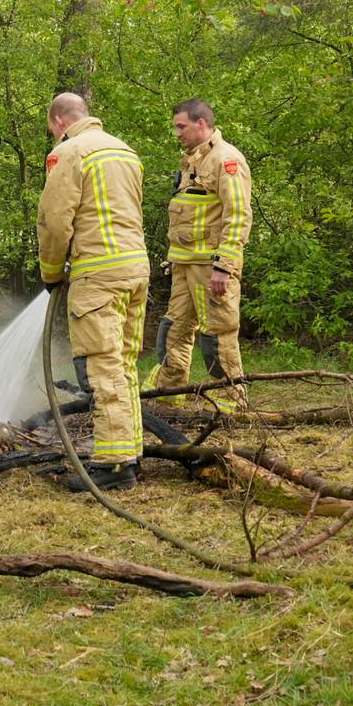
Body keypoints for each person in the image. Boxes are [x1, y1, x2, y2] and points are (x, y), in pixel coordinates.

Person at [37, 92, 150, 491]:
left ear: (57, 122)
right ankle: (132, 451)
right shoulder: (124, 151)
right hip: (135, 270)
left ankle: (116, 466)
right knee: (124, 365)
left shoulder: (69, 152)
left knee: (102, 369)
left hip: (98, 276)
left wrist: (51, 272)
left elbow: (54, 221)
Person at [147, 99, 252, 414]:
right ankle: (168, 395)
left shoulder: (226, 160)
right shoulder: (192, 161)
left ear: (202, 124)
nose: (177, 133)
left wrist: (224, 267)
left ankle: (230, 404)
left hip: (212, 269)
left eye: (181, 126)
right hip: (184, 265)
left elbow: (238, 217)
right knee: (173, 329)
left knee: (216, 335)